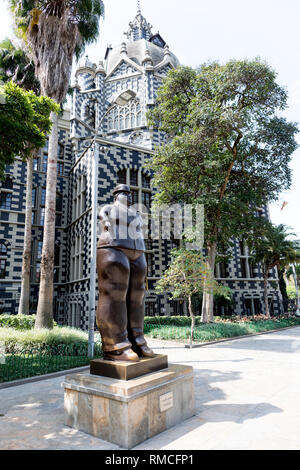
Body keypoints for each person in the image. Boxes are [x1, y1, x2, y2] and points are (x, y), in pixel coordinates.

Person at [96, 184, 155, 362]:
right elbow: (103, 218)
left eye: (129, 194)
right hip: (114, 247)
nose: (128, 196)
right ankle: (115, 344)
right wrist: (106, 222)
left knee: (137, 296)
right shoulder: (108, 208)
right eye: (123, 193)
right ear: (115, 196)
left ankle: (137, 340)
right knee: (114, 294)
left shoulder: (135, 213)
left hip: (137, 252)